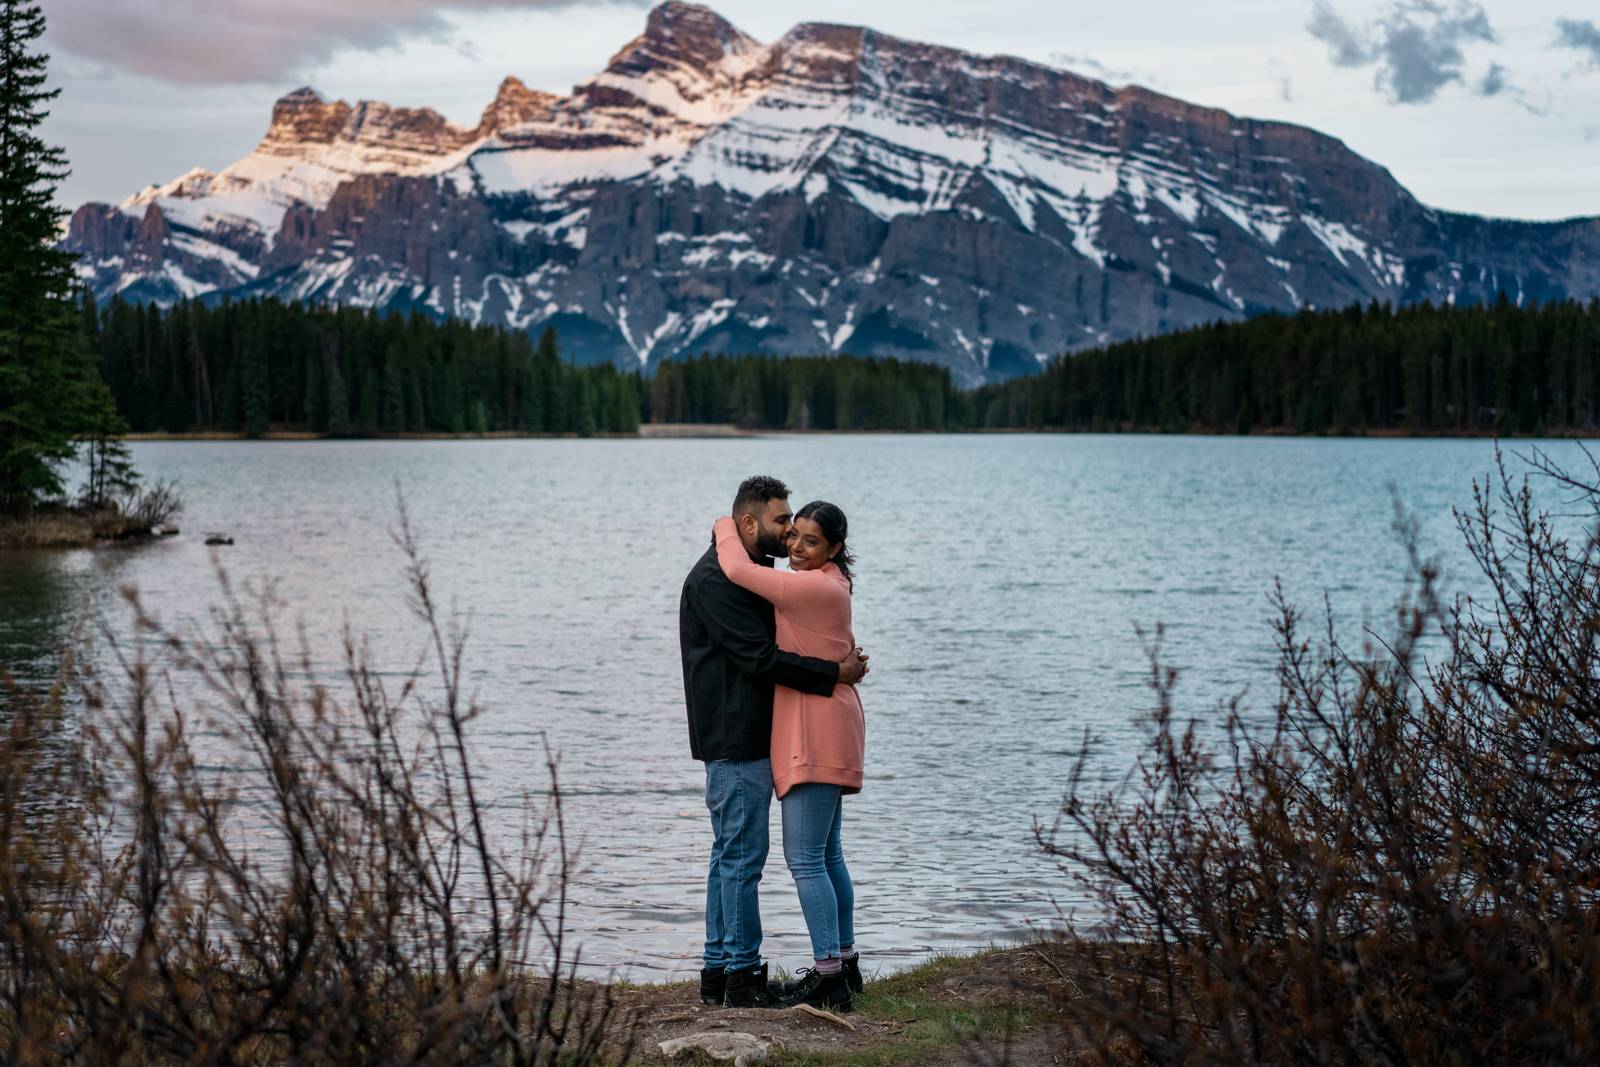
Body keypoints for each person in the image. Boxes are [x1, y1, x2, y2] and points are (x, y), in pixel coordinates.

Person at [679, 476, 869, 1009]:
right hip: (735, 740)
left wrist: (834, 670)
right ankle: (738, 975)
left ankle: (726, 970)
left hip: (761, 736)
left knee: (739, 856)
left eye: (801, 530)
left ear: (832, 548)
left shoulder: (760, 573)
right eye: (783, 522)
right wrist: (834, 671)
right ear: (746, 523)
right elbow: (760, 659)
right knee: (742, 857)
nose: (789, 536)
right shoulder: (719, 579)